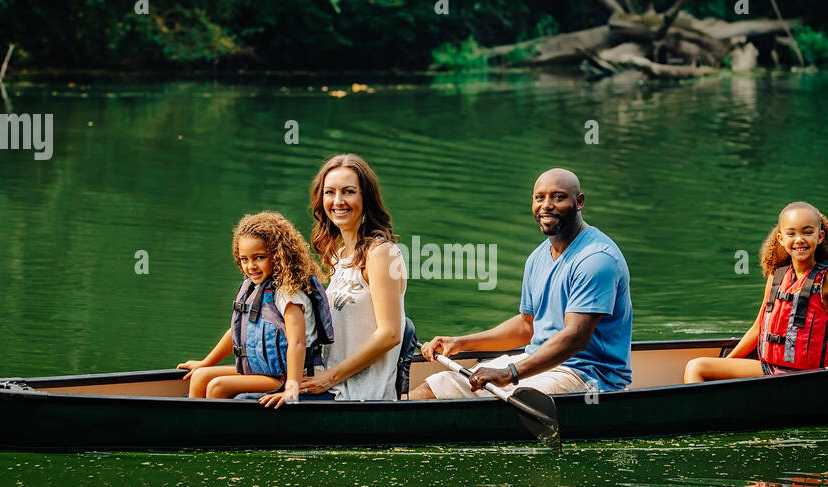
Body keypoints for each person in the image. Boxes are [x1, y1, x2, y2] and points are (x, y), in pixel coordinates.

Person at [410, 168, 632, 398]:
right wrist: (460, 343)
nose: (546, 205)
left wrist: (510, 373)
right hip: (535, 361)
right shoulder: (537, 258)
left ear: (579, 202)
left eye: (558, 197)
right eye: (539, 197)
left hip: (585, 376)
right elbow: (527, 326)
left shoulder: (597, 259)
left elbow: (575, 337)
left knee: (511, 399)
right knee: (433, 388)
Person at [684, 201, 828, 383]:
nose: (799, 240)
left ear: (820, 236)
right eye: (791, 234)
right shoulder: (776, 277)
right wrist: (727, 365)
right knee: (696, 366)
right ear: (780, 239)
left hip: (813, 374)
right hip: (770, 369)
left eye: (807, 232)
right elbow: (757, 329)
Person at [178, 211, 333, 406]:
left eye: (259, 257)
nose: (251, 266)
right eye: (244, 259)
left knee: (217, 386)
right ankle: (195, 430)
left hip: (288, 375)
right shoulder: (257, 287)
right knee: (200, 376)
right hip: (264, 370)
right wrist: (205, 362)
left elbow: (297, 342)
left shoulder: (289, 293)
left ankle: (214, 434)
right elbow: (238, 331)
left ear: (278, 255)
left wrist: (291, 389)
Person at [298, 154, 407, 401]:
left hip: (356, 393)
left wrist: (329, 378)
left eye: (348, 192)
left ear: (365, 198)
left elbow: (390, 333)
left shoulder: (381, 254)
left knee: (245, 402)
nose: (337, 201)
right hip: (325, 381)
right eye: (329, 192)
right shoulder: (338, 256)